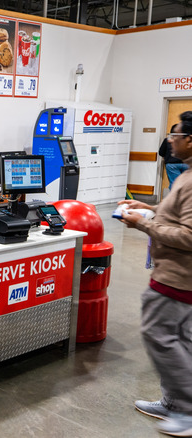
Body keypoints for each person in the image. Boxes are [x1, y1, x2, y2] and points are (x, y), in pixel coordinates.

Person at [119, 111, 192, 437]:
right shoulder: (186, 176)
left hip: (178, 277)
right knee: (182, 339)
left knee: (157, 334)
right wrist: (147, 209)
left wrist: (143, 224)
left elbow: (189, 235)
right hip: (176, 274)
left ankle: (187, 410)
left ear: (190, 140)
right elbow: (176, 216)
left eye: (175, 135)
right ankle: (174, 403)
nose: (170, 140)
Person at [159, 123, 189, 188]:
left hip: (172, 164)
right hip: (186, 164)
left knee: (174, 184)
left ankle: (175, 197)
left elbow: (161, 152)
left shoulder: (167, 140)